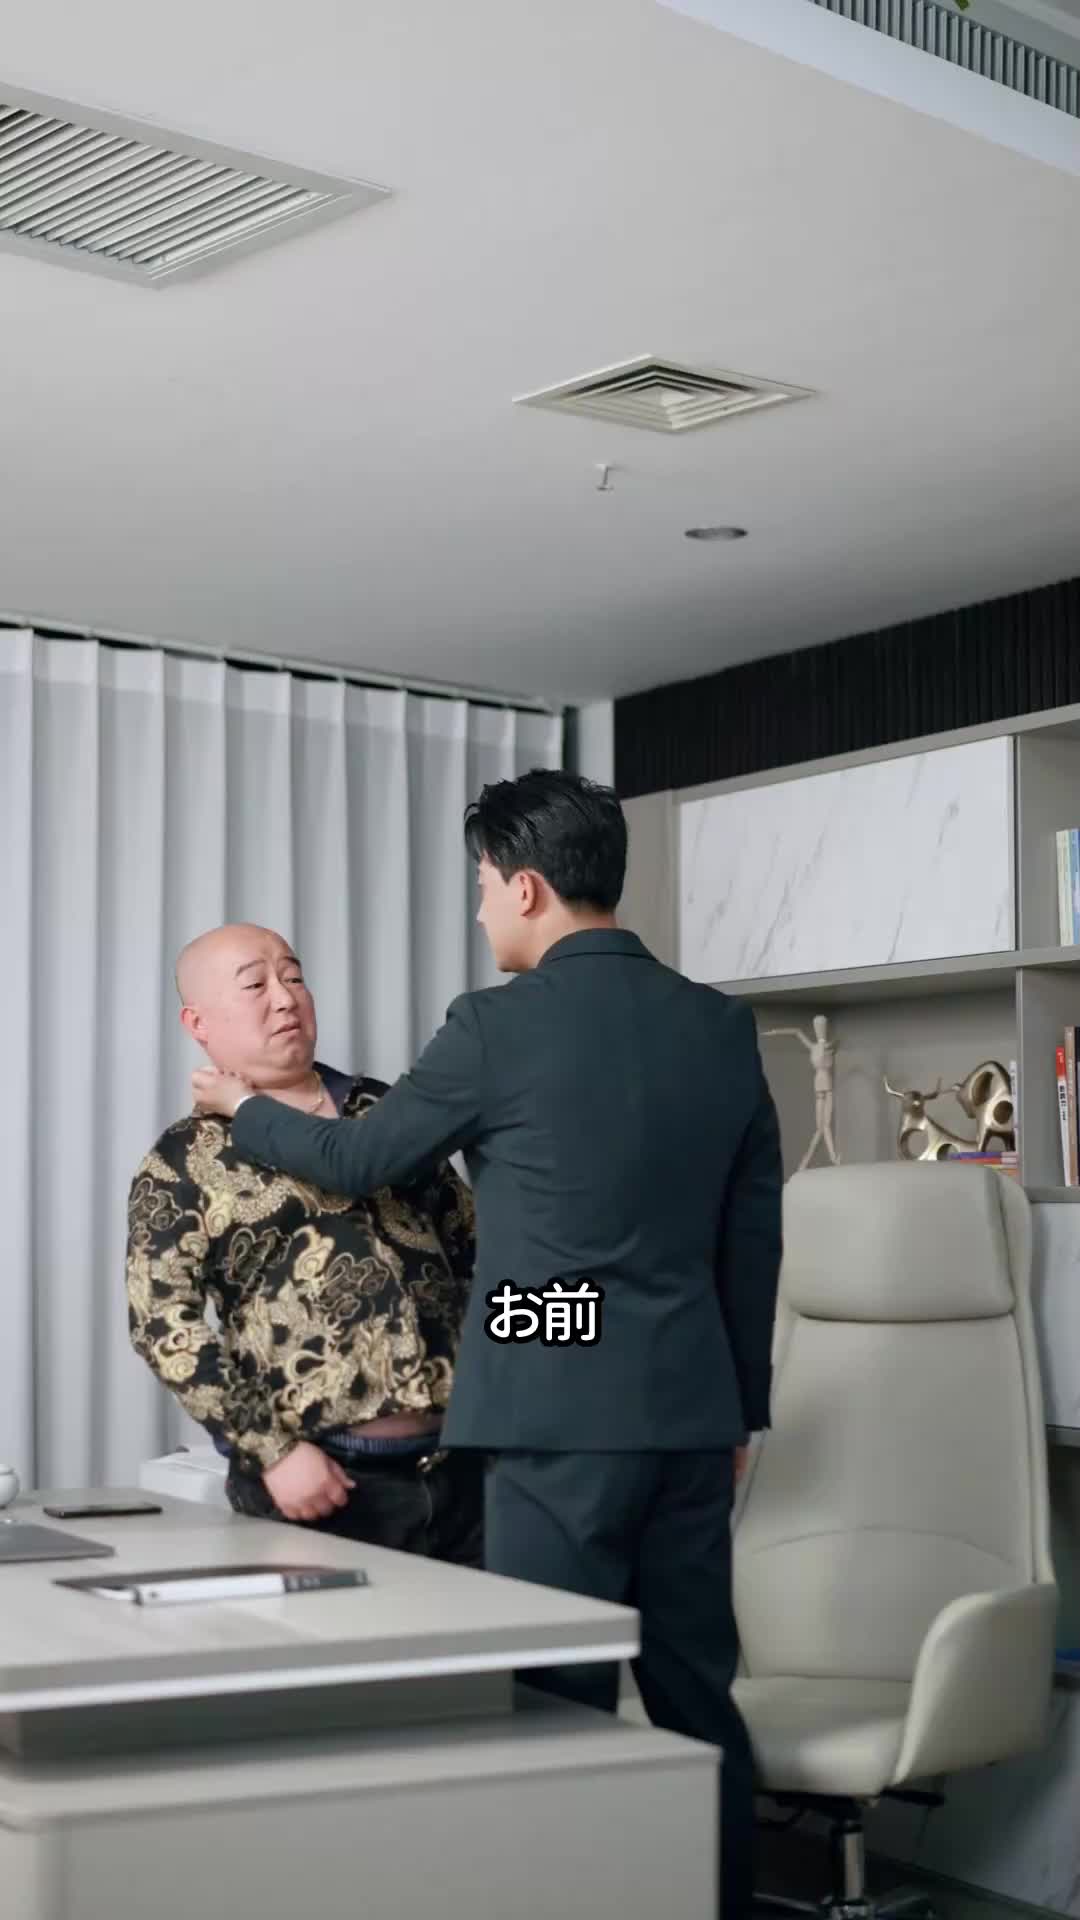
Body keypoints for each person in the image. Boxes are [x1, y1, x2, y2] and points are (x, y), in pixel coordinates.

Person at [193, 774, 783, 1920]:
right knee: (695, 1699)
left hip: (557, 1423)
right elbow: (749, 1237)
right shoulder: (718, 1024)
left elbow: (362, 1160)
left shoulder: (497, 1025)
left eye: (480, 887)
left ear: (525, 887)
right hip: (690, 1416)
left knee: (552, 1702)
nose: (478, 912)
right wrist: (740, 1407)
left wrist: (239, 1108)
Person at [126, 922, 481, 1566]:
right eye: (255, 985)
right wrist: (273, 1451)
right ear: (198, 1023)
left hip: (464, 1473)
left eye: (293, 977)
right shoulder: (183, 1158)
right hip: (321, 1485)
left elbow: (476, 1253)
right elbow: (162, 1323)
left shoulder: (389, 1113)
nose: (285, 997)